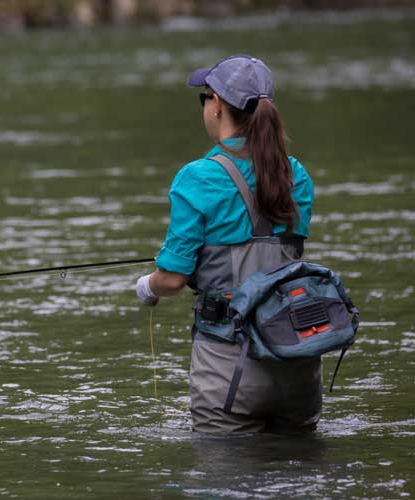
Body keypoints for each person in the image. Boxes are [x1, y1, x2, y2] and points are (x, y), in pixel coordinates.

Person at [135, 55, 320, 434]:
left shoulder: (198, 177)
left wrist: (147, 286)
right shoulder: (296, 174)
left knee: (224, 467)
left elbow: (172, 279)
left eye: (204, 98)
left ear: (216, 104)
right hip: (298, 362)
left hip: (228, 368)